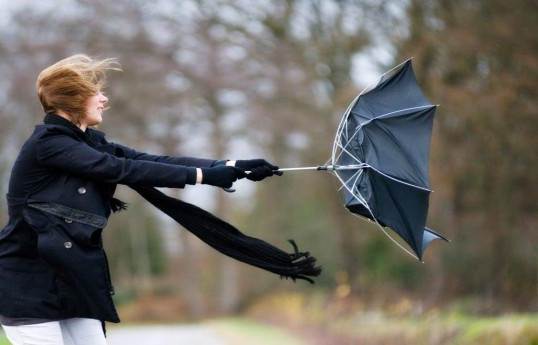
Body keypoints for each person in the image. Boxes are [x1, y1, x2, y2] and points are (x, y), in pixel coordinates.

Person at [0, 54, 284, 345]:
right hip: (29, 286)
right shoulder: (49, 144)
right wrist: (203, 176)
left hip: (72, 283)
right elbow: (120, 169)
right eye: (95, 92)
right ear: (74, 99)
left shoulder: (88, 142)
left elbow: (148, 159)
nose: (103, 99)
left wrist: (229, 164)